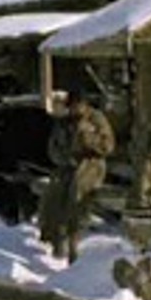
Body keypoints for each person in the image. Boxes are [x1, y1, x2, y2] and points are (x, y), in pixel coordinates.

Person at [38, 90, 115, 263]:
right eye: (71, 107)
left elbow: (108, 146)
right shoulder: (64, 121)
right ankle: (54, 237)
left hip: (91, 164)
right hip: (68, 165)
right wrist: (64, 157)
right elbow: (53, 148)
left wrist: (88, 139)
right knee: (53, 192)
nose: (74, 110)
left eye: (77, 106)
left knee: (77, 193)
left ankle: (74, 240)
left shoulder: (95, 119)